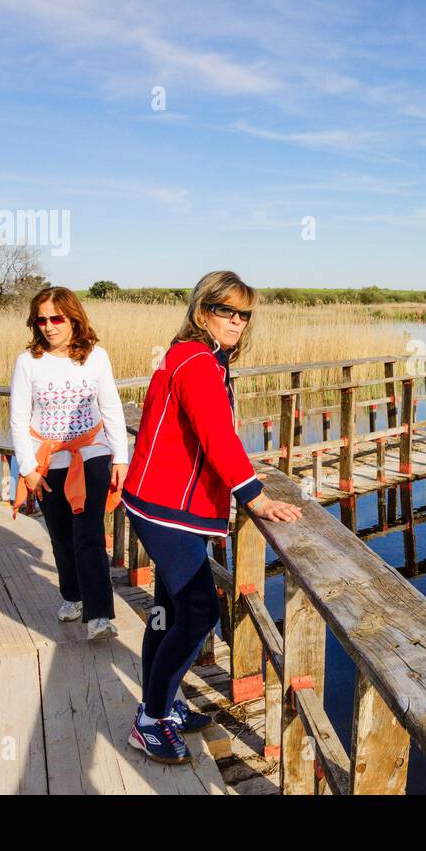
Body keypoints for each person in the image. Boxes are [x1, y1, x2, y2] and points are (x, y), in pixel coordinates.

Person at [121, 271, 301, 764]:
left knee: (169, 609)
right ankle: (151, 720)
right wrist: (255, 497)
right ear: (203, 313)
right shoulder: (198, 362)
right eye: (227, 311)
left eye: (244, 314)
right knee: (199, 612)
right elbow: (217, 437)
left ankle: (162, 704)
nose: (238, 321)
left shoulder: (194, 357)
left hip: (160, 502)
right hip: (168, 509)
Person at [10, 287, 127, 643]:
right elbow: (18, 418)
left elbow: (111, 407)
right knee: (60, 534)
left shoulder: (96, 357)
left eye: (56, 318)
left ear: (73, 318)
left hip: (90, 453)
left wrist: (120, 456)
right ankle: (72, 596)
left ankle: (100, 616)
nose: (48, 326)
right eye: (41, 319)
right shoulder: (28, 362)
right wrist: (28, 468)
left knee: (88, 533)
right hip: (48, 460)